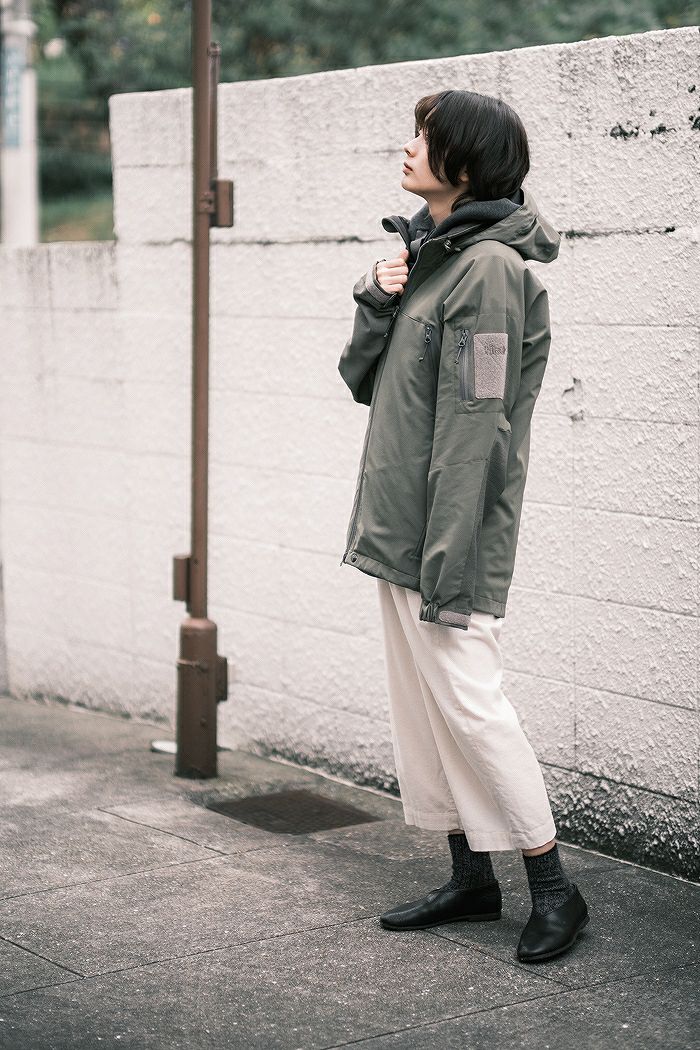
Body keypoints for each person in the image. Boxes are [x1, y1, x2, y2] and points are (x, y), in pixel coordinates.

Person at [337, 89, 590, 963]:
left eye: (426, 137)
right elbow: (362, 381)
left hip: (446, 540)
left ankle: (554, 888)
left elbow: (476, 423)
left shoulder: (488, 272)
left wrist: (448, 562)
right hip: (400, 529)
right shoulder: (429, 257)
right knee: (427, 713)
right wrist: (375, 297)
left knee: (476, 711)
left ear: (468, 164)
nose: (409, 146)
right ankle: (471, 879)